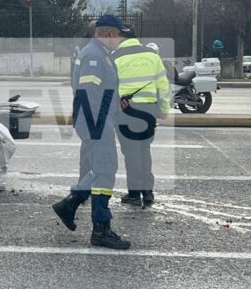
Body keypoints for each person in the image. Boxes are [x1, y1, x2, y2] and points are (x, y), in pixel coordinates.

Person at [50, 14, 131, 250]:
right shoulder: (95, 56)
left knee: (102, 168)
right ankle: (100, 229)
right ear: (107, 33)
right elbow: (88, 92)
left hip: (97, 118)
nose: (120, 39)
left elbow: (98, 92)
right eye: (118, 35)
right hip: (95, 120)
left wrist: (115, 104)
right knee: (105, 170)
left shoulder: (100, 54)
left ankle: (71, 203)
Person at [113, 31, 171, 208]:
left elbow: (110, 86)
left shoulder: (115, 57)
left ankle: (134, 194)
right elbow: (163, 85)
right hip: (148, 110)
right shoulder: (152, 56)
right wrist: (163, 110)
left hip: (126, 110)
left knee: (131, 153)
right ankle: (148, 192)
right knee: (144, 150)